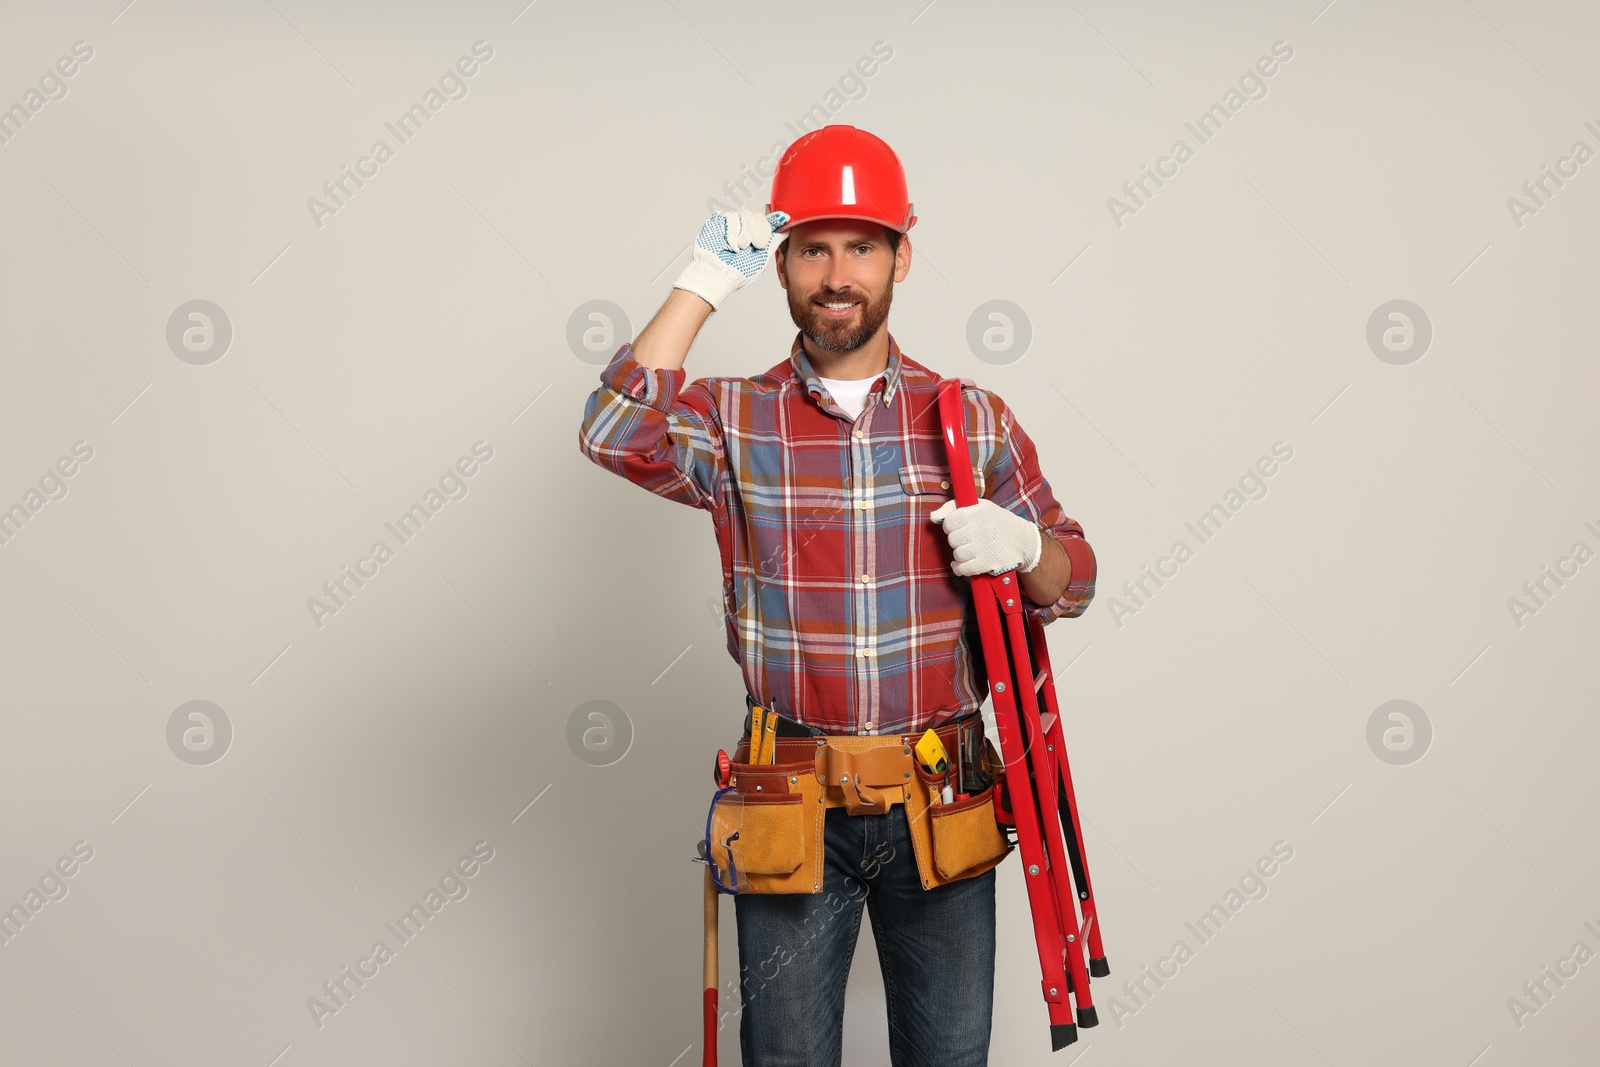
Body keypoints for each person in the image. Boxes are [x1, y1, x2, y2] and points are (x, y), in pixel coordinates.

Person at [578, 125, 1096, 1067]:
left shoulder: (969, 417)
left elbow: (1077, 574)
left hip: (940, 802)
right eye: (813, 248)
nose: (837, 274)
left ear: (902, 253)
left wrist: (1026, 551)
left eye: (862, 245)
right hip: (792, 801)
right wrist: (699, 283)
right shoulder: (733, 418)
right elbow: (614, 432)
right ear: (778, 263)